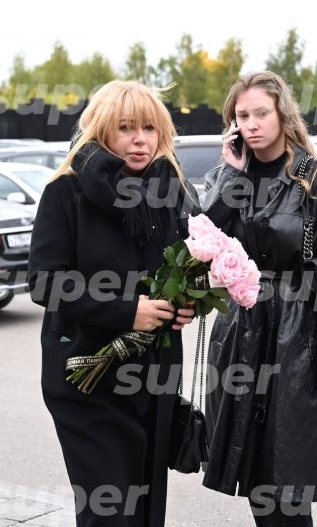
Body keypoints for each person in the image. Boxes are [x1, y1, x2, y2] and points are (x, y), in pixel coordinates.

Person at [28, 80, 199, 527]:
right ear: (102, 130)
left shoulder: (172, 192)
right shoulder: (65, 193)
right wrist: (128, 310)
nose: (140, 139)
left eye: (149, 128)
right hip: (86, 378)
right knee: (109, 512)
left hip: (154, 376)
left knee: (145, 511)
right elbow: (45, 281)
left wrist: (185, 305)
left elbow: (185, 268)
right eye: (126, 128)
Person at [201, 71, 317, 526]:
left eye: (261, 113)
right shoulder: (227, 177)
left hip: (299, 342)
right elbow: (201, 242)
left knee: (289, 482)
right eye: (242, 116)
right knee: (254, 475)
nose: (251, 124)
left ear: (283, 114)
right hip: (241, 336)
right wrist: (230, 176)